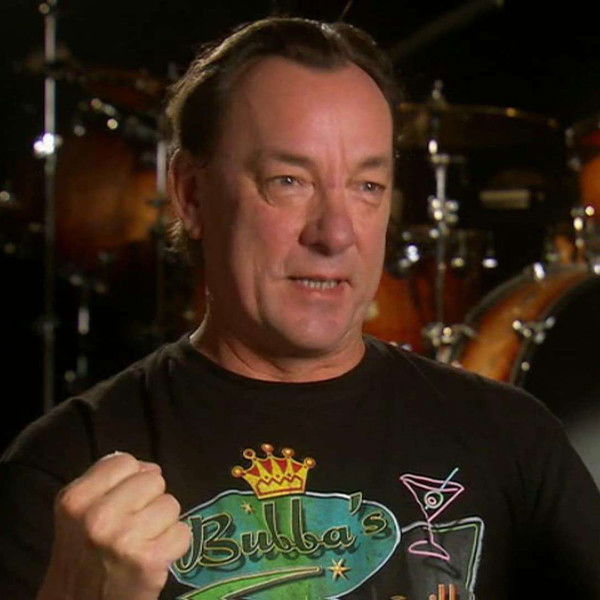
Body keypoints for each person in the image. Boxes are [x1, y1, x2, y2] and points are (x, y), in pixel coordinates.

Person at [1, 16, 599, 600]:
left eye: (367, 186)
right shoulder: (65, 468)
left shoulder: (509, 436)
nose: (336, 234)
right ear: (190, 194)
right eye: (289, 180)